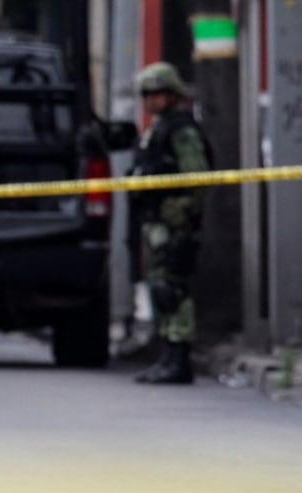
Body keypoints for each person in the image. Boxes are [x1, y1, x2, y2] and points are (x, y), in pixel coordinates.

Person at [129, 61, 211, 385]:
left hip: (174, 222)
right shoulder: (158, 128)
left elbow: (197, 177)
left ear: (171, 95)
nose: (149, 100)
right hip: (156, 220)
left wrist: (183, 211)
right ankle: (167, 356)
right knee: (160, 287)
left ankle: (179, 359)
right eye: (146, 94)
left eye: (156, 94)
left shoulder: (181, 129)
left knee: (173, 289)